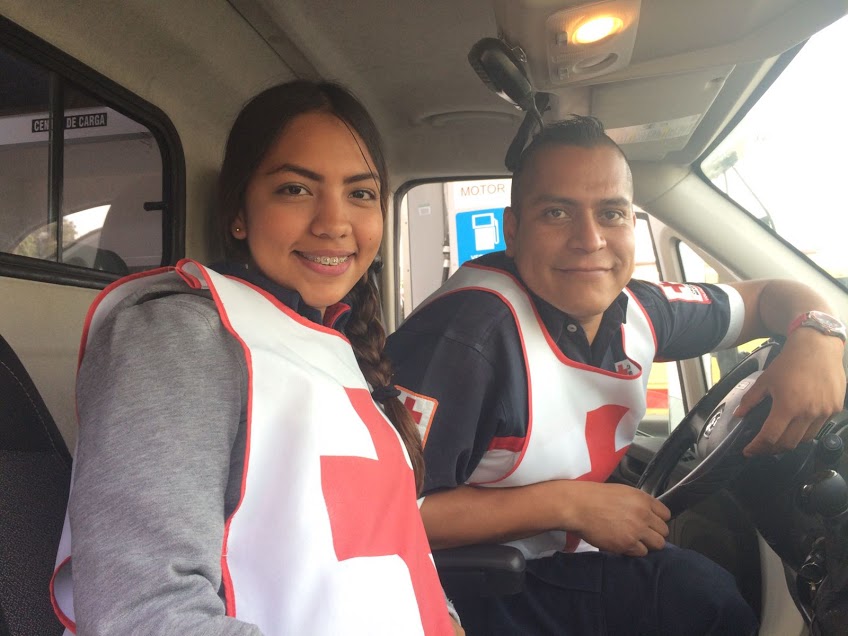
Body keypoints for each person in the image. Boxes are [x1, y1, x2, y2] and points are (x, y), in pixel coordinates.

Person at [386, 116, 847, 635]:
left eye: (611, 213)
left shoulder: (640, 308)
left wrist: (819, 334)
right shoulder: (469, 337)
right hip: (471, 581)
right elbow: (385, 508)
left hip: (557, 555)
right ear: (513, 231)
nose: (589, 240)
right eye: (556, 212)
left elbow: (767, 297)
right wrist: (570, 504)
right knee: (702, 600)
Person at [50, 80, 461, 635]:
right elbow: (143, 612)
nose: (334, 222)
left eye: (360, 194)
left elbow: (397, 548)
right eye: (296, 189)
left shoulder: (336, 346)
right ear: (238, 211)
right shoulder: (182, 334)